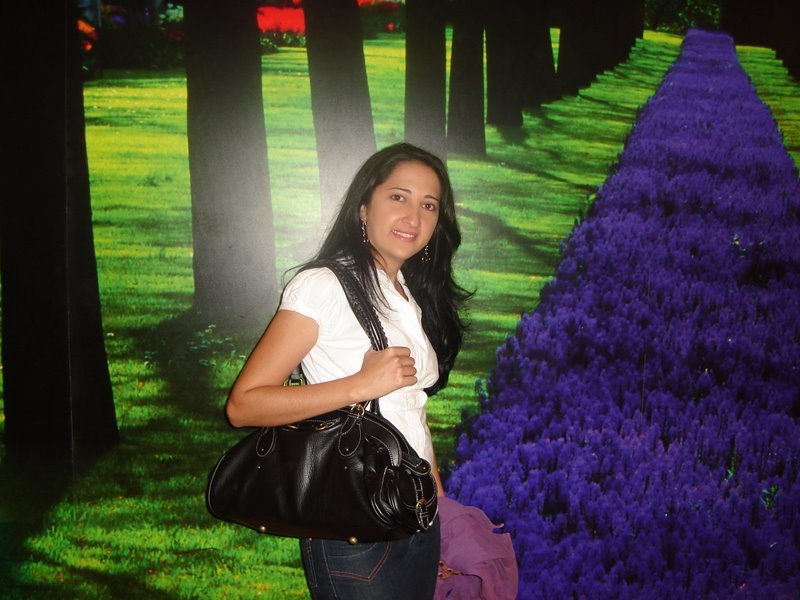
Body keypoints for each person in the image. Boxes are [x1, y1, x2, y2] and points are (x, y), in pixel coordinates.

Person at [225, 142, 471, 599]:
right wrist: (360, 385)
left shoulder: (406, 292)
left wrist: (440, 510)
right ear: (363, 207)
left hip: (415, 513)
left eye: (428, 205)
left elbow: (411, 412)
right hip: (353, 523)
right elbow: (244, 405)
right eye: (397, 197)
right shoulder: (323, 285)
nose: (413, 217)